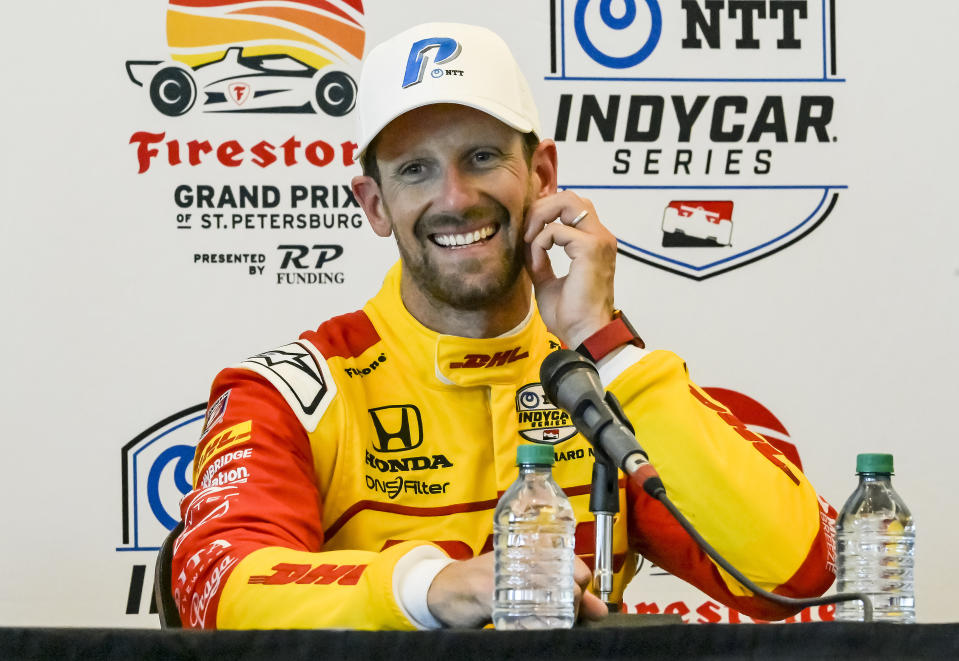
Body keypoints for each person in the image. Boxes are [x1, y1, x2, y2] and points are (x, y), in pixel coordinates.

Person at [171, 22, 836, 630]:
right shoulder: (293, 390)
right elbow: (216, 583)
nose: (455, 197)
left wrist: (602, 344)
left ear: (541, 173)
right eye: (415, 169)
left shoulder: (606, 383)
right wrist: (429, 586)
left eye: (483, 156)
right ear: (375, 205)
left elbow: (799, 574)